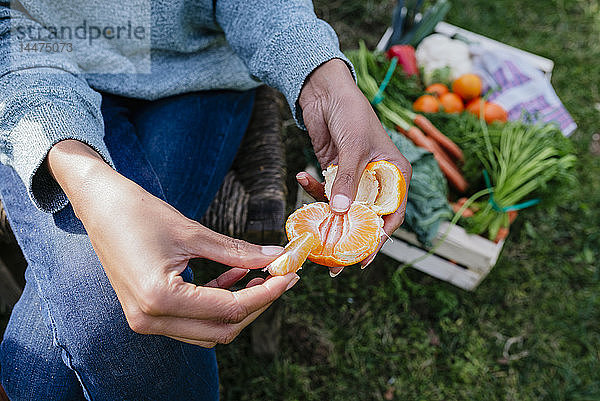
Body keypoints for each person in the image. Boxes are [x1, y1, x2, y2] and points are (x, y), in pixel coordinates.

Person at [0, 0, 411, 399]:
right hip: (35, 80)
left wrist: (324, 79)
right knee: (105, 304)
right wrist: (85, 176)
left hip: (197, 77)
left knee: (89, 328)